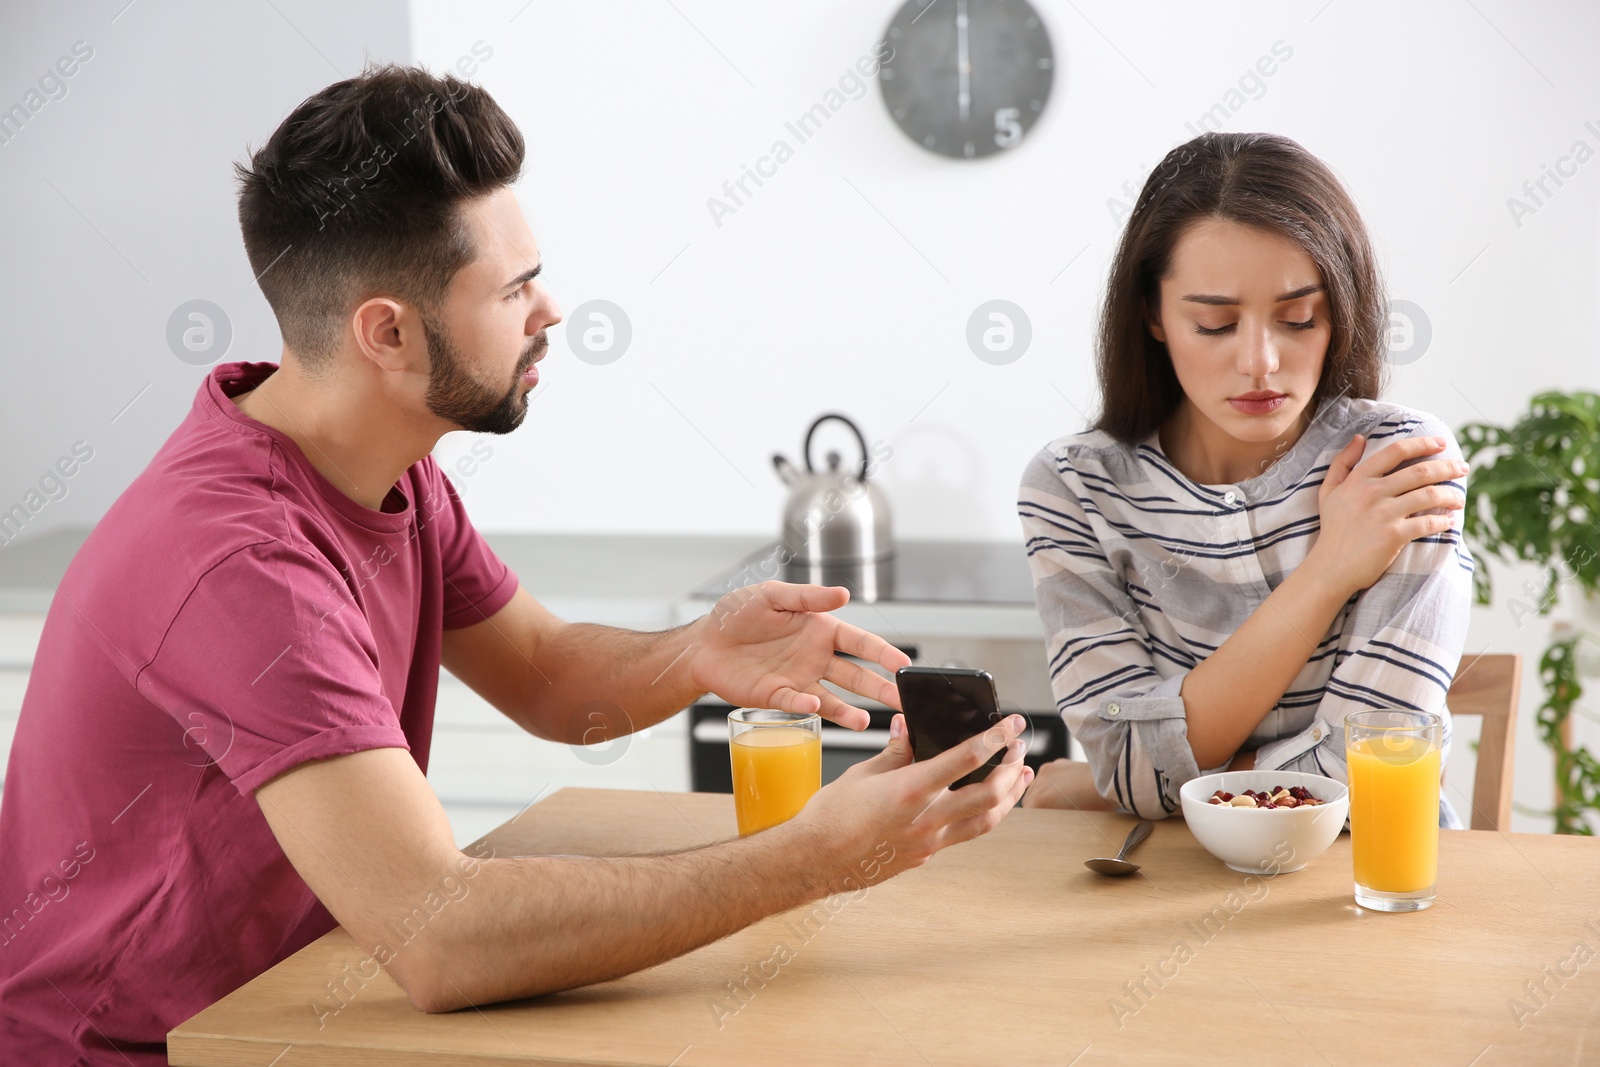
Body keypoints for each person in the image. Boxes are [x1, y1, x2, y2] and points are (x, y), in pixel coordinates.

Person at [0, 65, 1033, 1065]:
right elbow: (442, 935)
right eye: (515, 289)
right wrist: (814, 856)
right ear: (388, 334)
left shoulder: (381, 466)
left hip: (303, 1002)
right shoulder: (241, 559)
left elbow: (542, 670)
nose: (549, 313)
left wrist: (698, 649)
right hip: (143, 1049)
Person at [1017, 132, 1472, 826]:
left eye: (1297, 318)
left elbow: (1369, 780)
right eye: (1215, 323)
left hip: (1365, 893)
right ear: (1153, 315)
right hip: (1151, 890)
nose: (1260, 361)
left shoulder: (1396, 465)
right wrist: (1326, 575)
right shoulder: (1076, 488)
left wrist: (1128, 784)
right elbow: (1130, 766)